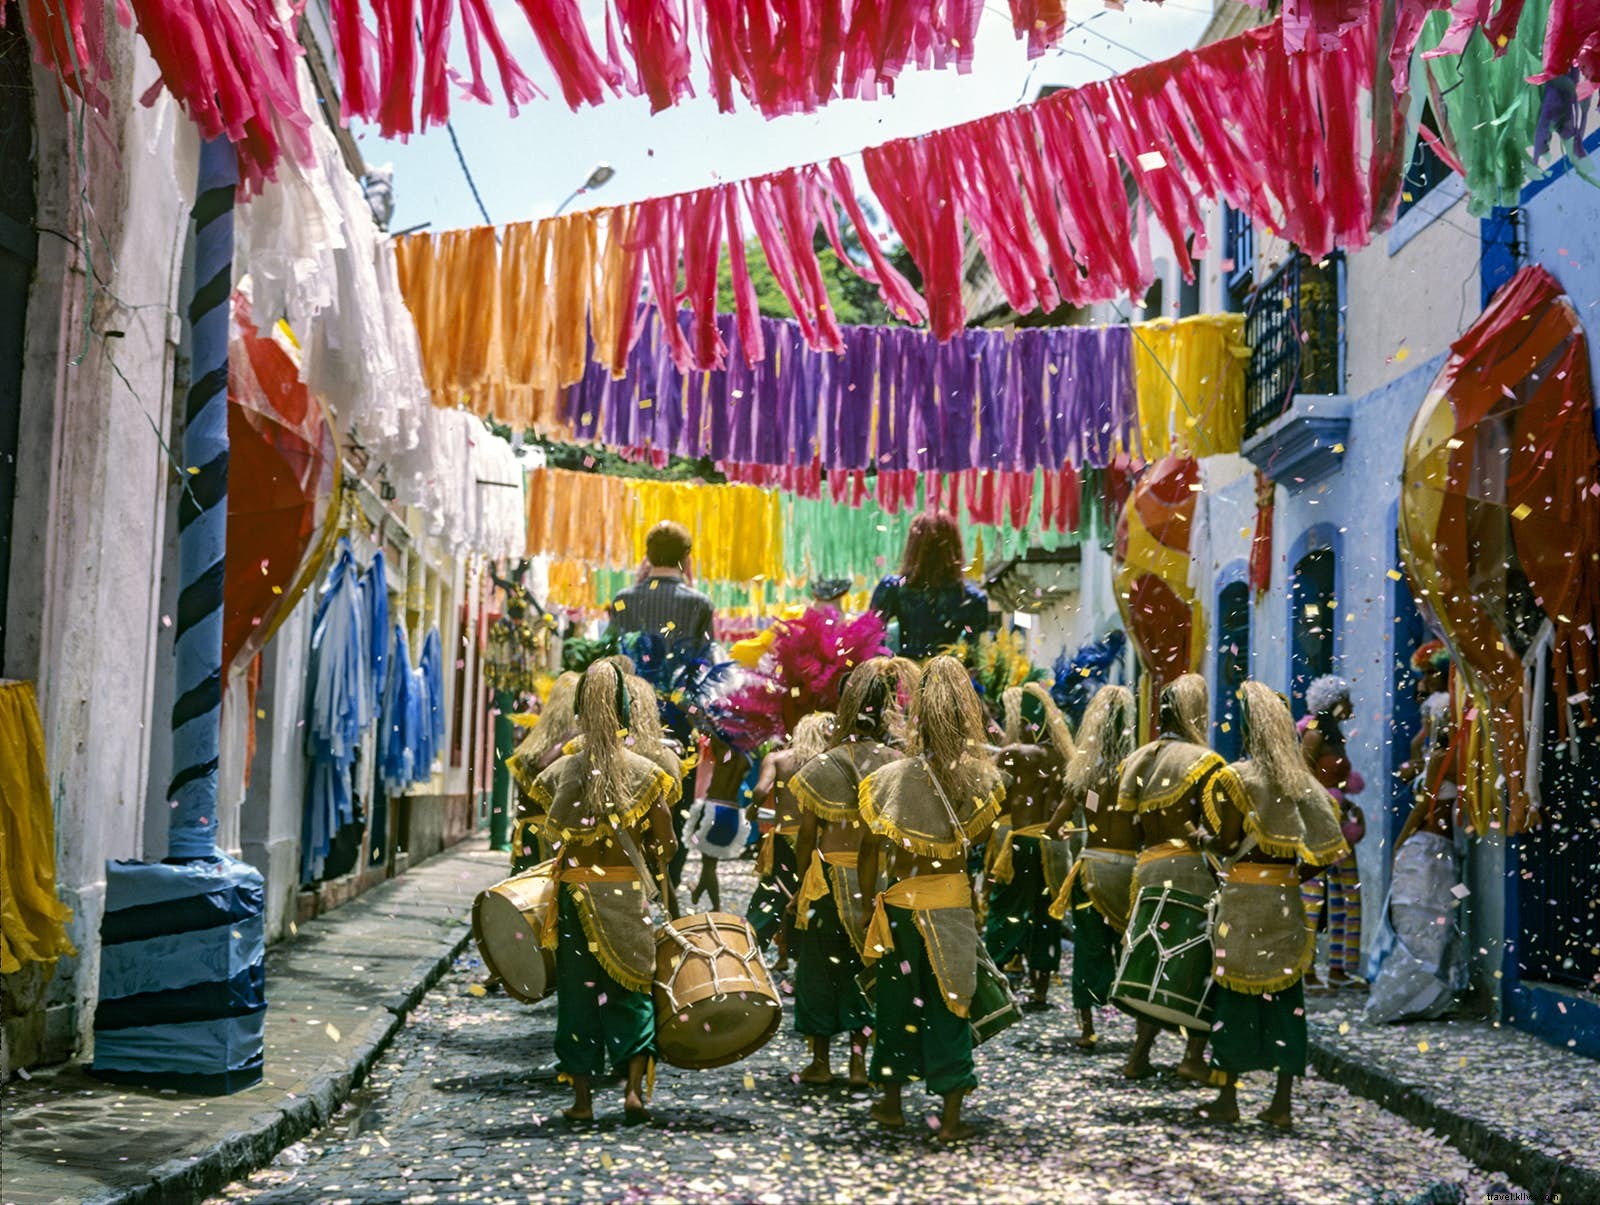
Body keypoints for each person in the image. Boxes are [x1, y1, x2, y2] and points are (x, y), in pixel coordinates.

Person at [857, 656, 1005, 1142]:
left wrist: (863, 909)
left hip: (899, 908)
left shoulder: (889, 779)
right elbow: (978, 843)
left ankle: (893, 1105)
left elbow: (869, 852)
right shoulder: (980, 779)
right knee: (951, 1004)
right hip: (951, 908)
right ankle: (951, 1120)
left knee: (897, 1007)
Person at [1194, 681, 1349, 1128]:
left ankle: (1228, 1098)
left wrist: (1203, 839)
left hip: (1243, 901)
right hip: (1284, 900)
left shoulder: (1235, 778)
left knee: (1235, 997)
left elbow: (1224, 843)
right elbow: (1332, 848)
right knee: (1285, 999)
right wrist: (1290, 877)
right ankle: (1281, 1105)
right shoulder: (1301, 782)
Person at [530, 661, 680, 1122]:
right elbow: (668, 841)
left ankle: (582, 1102)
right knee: (633, 988)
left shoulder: (563, 772)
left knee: (578, 997)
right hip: (624, 896)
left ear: (579, 709)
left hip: (575, 897)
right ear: (625, 711)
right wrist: (655, 850)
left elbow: (550, 836)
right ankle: (633, 1093)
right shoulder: (643, 772)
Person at [787, 658, 919, 1085]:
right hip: (879, 883)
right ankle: (860, 1064)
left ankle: (821, 1064)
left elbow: (806, 837)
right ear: (883, 710)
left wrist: (797, 885)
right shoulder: (896, 764)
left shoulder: (822, 766)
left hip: (825, 885)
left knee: (819, 973)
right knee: (867, 969)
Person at [1116, 673, 1222, 1082]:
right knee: (1196, 963)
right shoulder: (1204, 762)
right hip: (1189, 868)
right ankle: (1193, 1057)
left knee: (1150, 962)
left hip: (1147, 868)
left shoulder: (1138, 758)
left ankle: (1138, 1056)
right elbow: (1214, 826)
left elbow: (1129, 830)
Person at [608, 520, 715, 889]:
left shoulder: (624, 598)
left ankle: (629, 878)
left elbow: (611, 659)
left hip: (626, 716)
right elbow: (705, 667)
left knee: (625, 794)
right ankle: (667, 880)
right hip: (678, 720)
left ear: (647, 555)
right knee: (676, 801)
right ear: (687, 558)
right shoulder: (699, 603)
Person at [1367, 642, 1465, 1024]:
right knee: (1430, 925)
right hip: (1441, 851)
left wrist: (1399, 842)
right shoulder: (1449, 758)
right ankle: (1423, 997)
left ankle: (1410, 999)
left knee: (1422, 926)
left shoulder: (1442, 758)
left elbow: (1422, 807)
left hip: (1424, 849)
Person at [1048, 684, 1138, 1049]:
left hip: (1093, 871)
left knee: (1088, 947)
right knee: (1127, 947)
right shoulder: (1139, 771)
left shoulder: (1086, 776)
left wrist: (1071, 829)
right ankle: (1134, 1022)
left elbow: (1054, 828)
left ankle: (1087, 1028)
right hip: (1130, 872)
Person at [984, 683, 1076, 1010]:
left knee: (1005, 909)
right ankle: (1040, 990)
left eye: (1021, 721)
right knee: (1046, 915)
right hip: (1053, 846)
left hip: (1023, 843)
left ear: (1028, 722)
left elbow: (994, 786)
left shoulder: (1018, 755)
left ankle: (991, 976)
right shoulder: (1064, 757)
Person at [745, 713, 835, 974]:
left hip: (784, 836)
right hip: (817, 839)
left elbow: (761, 791)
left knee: (772, 894)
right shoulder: (827, 761)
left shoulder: (777, 758)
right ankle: (800, 957)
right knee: (807, 896)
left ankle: (750, 949)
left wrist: (753, 808)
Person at [1299, 674, 1365, 987]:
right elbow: (1301, 778)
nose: (1351, 704)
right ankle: (1307, 968)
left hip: (1340, 823)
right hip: (1318, 824)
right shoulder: (1312, 736)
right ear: (1333, 704)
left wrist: (1350, 808)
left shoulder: (1336, 737)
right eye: (1346, 699)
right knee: (1313, 897)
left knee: (1349, 896)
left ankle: (1340, 968)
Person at [869, 511, 990, 659]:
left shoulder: (894, 588)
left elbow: (873, 640)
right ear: (955, 546)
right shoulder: (971, 598)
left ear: (913, 546)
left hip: (906, 675)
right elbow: (974, 655)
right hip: (946, 677)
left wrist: (886, 671)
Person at [505, 671, 582, 873]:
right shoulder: (566, 739)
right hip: (545, 837)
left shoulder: (535, 736)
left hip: (535, 834)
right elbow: (542, 765)